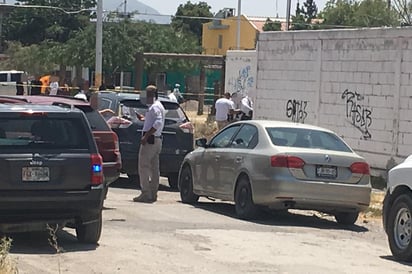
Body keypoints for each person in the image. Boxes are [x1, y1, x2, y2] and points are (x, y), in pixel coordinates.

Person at [133, 85, 165, 203]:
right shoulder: (158, 106)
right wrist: (144, 119)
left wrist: (146, 136)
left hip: (151, 140)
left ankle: (146, 192)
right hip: (157, 140)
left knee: (144, 166)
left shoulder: (154, 107)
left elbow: (157, 122)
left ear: (151, 95)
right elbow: (154, 120)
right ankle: (153, 192)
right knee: (154, 167)